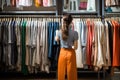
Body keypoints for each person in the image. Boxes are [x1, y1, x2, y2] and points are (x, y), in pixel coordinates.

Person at [55, 13, 78, 80]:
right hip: (71, 53)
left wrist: (56, 37)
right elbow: (76, 47)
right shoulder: (75, 33)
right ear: (71, 21)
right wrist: (71, 43)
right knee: (72, 73)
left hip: (62, 53)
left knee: (61, 73)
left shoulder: (59, 32)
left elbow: (56, 40)